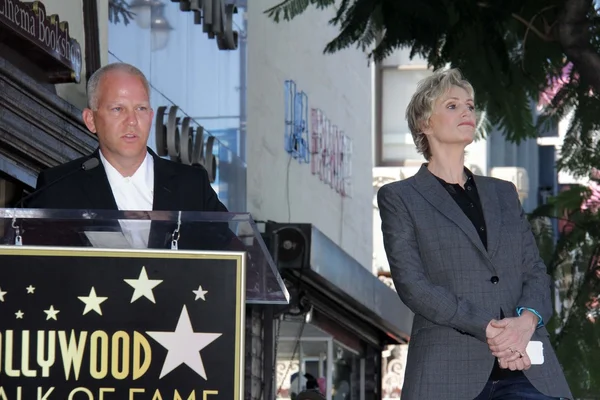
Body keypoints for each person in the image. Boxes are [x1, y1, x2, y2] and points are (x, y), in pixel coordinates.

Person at [377, 68, 572, 400]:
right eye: (452, 105)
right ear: (425, 123)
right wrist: (491, 329)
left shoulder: (504, 194)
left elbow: (536, 273)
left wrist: (525, 324)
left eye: (469, 105)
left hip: (528, 371)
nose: (467, 111)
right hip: (446, 375)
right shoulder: (400, 197)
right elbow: (413, 286)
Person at [24, 62, 228, 249]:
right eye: (117, 109)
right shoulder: (59, 188)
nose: (131, 121)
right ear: (91, 120)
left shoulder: (192, 186)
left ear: (150, 117)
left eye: (140, 108)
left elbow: (234, 259)